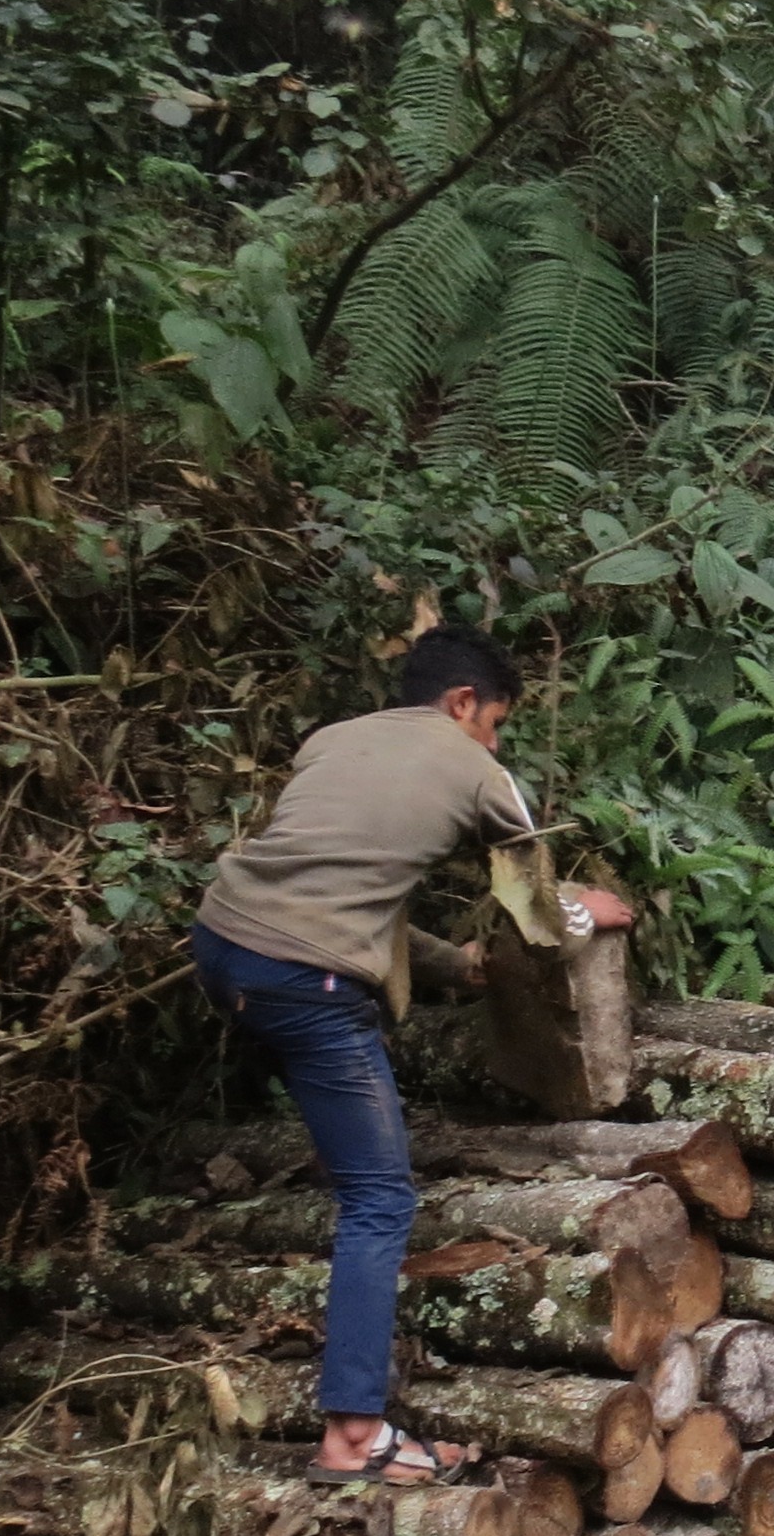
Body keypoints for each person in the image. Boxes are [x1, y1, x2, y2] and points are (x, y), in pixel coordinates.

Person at [191, 626, 634, 1488]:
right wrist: (593, 912)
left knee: (359, 1155)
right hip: (303, 979)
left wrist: (454, 966)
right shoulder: (478, 772)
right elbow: (538, 917)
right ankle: (355, 1436)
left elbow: (345, 891)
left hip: (222, 945)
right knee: (381, 1199)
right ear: (463, 702)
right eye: (496, 722)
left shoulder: (332, 742)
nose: (497, 742)